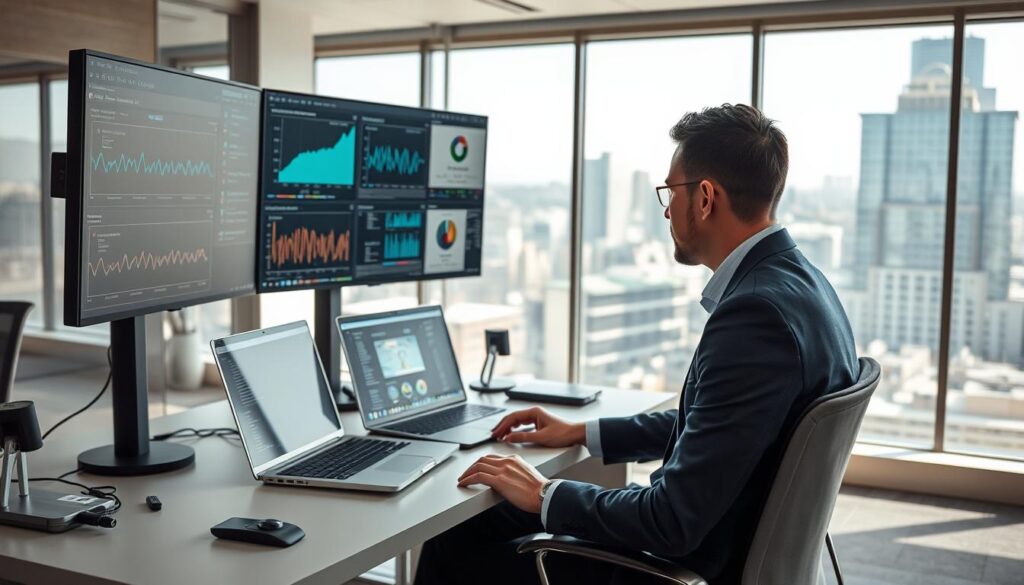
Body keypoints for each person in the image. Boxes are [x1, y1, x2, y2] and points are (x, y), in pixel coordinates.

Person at [414, 103, 859, 585]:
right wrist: (581, 433)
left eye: (671, 190)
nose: (667, 209)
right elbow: (719, 424)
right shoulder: (805, 285)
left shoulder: (755, 317)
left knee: (456, 546)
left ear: (706, 198)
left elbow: (669, 521)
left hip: (681, 567)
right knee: (485, 518)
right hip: (726, 539)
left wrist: (545, 493)